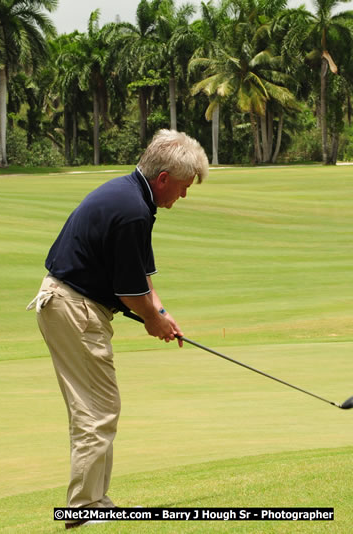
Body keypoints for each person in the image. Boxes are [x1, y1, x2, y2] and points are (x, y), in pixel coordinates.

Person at [27, 129, 208, 529]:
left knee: (96, 408)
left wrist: (161, 312)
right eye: (182, 187)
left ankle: (95, 502)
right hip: (75, 307)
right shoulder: (133, 210)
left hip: (66, 303)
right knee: (97, 410)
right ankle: (85, 508)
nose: (183, 196)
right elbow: (130, 293)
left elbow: (140, 277)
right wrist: (152, 319)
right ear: (163, 179)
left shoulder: (130, 195)